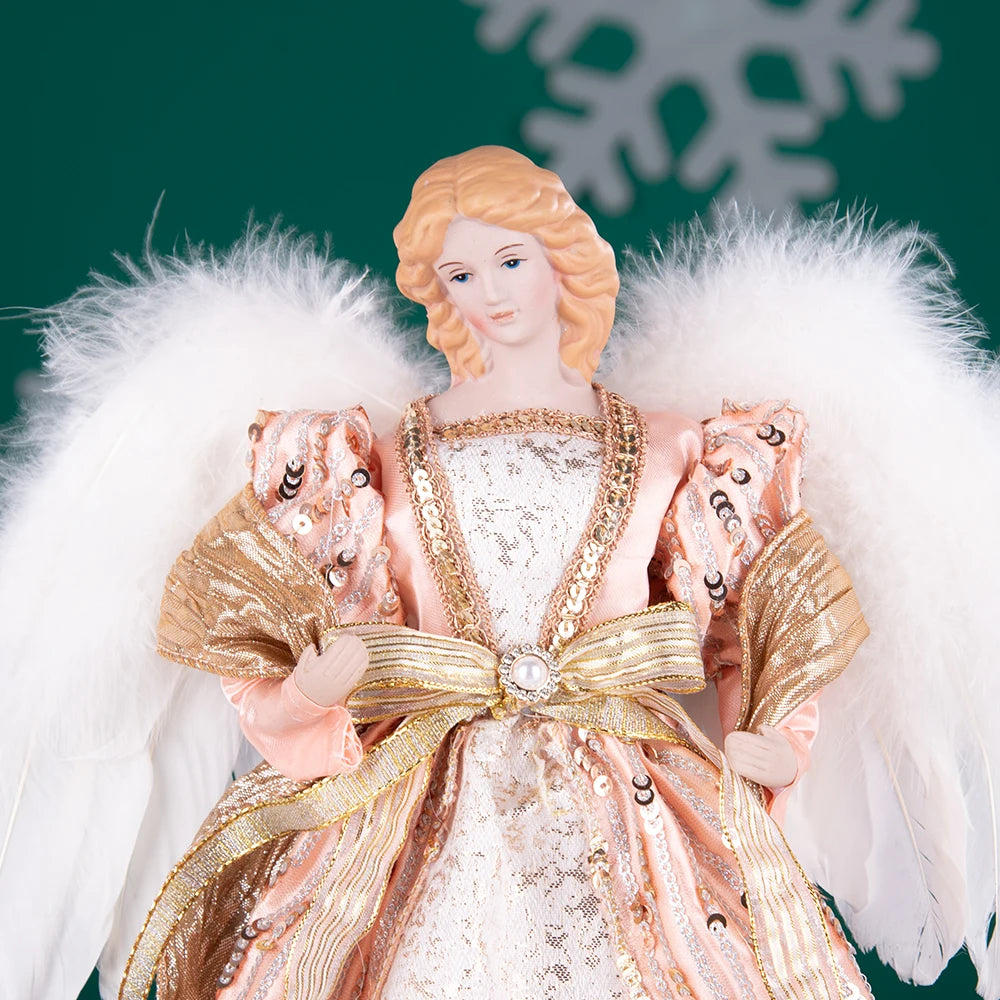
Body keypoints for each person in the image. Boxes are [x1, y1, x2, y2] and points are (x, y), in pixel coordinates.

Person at [125, 146, 874, 999]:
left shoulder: (675, 447)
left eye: (510, 261)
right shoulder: (364, 459)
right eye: (461, 275)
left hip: (626, 780)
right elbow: (244, 631)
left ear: (563, 260)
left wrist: (776, 738)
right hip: (421, 783)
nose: (490, 293)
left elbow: (760, 610)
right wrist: (307, 693)